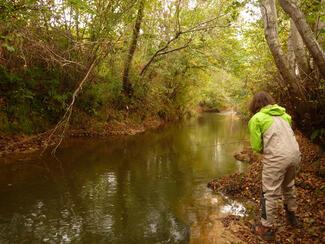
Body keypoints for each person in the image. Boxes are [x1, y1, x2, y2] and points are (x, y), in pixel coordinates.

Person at [248, 91, 301, 241]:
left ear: (254, 104)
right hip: (295, 155)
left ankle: (266, 228)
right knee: (289, 186)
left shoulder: (257, 118)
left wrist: (267, 148)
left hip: (277, 158)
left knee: (269, 193)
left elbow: (257, 147)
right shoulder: (285, 115)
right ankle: (292, 217)